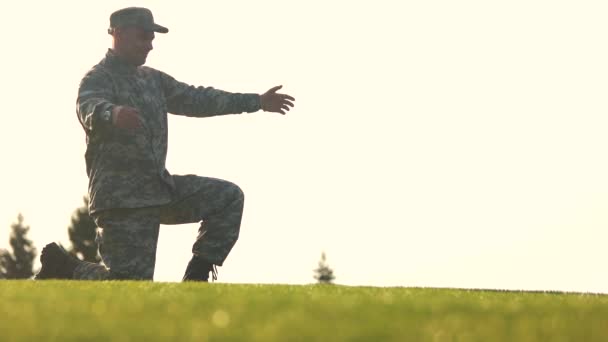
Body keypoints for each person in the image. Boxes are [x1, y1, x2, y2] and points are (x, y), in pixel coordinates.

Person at [36, 7, 295, 282]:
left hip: (159, 189)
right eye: (143, 37)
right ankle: (64, 267)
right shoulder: (97, 78)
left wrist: (256, 101)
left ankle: (195, 278)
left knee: (228, 197)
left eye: (152, 39)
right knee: (130, 285)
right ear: (118, 34)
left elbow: (198, 99)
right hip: (120, 199)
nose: (149, 45)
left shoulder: (153, 80)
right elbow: (88, 107)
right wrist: (112, 114)